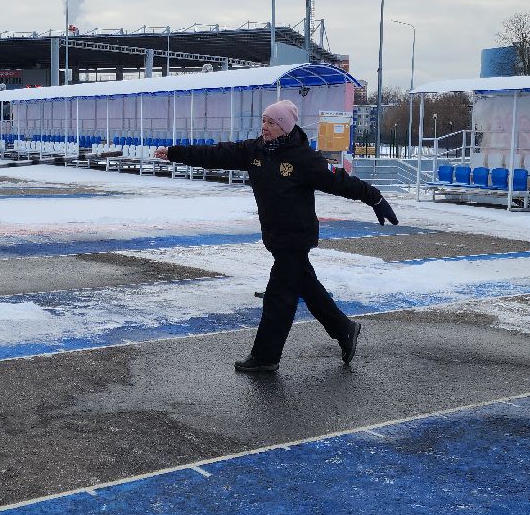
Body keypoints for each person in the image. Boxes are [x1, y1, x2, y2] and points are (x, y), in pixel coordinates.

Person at [157, 99, 399, 374]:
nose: (265, 127)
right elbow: (216, 153)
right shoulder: (254, 150)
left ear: (285, 127)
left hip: (296, 237)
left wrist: (375, 198)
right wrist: (174, 153)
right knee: (307, 287)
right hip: (275, 235)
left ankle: (265, 356)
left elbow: (340, 181)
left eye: (272, 122)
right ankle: (344, 328)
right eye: (264, 121)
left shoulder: (303, 157)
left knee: (278, 297)